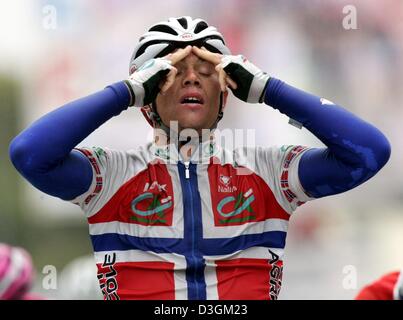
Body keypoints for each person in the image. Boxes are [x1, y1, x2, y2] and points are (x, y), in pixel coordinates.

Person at [9, 16, 391, 300]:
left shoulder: (271, 171)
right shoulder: (110, 175)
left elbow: (369, 153)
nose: (191, 78)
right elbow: (29, 154)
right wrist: (123, 92)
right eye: (172, 72)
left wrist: (269, 89)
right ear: (146, 99)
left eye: (207, 71)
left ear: (226, 94)